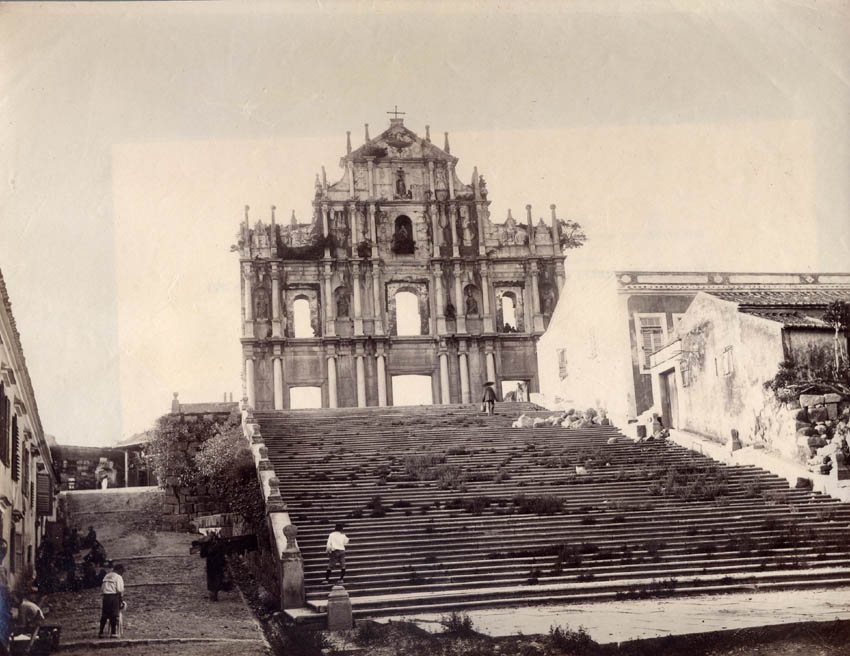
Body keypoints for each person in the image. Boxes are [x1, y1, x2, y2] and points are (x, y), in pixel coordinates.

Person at [99, 563, 125, 637]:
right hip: (114, 596)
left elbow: (102, 587)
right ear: (119, 570)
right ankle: (113, 633)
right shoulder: (118, 577)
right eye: (122, 571)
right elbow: (120, 589)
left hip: (105, 597)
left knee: (104, 615)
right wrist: (121, 600)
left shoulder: (107, 576)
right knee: (114, 614)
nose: (122, 573)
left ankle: (101, 632)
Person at [200, 533, 227, 601]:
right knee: (213, 579)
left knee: (216, 579)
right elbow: (202, 554)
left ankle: (214, 593)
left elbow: (222, 553)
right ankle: (213, 593)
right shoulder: (208, 545)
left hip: (216, 563)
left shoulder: (219, 544)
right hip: (212, 564)